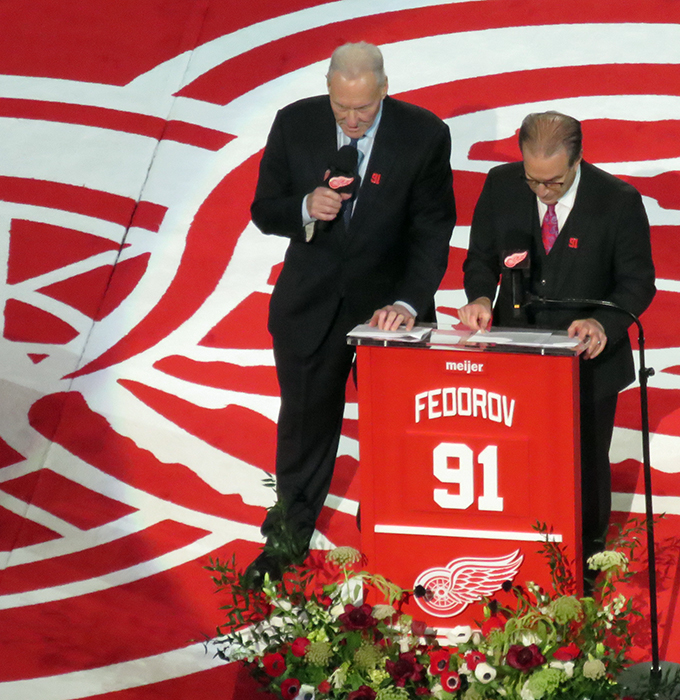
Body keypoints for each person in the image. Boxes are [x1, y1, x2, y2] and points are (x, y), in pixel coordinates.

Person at [248, 42, 456, 582]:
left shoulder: (423, 134)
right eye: (342, 108)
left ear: (384, 88)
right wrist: (302, 208)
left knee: (399, 434)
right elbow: (264, 208)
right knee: (303, 426)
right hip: (310, 306)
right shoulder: (293, 124)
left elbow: (433, 229)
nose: (352, 119)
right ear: (329, 87)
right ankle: (286, 541)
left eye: (363, 109)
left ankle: (394, 542)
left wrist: (409, 302)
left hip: (391, 312)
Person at [459, 111, 655, 589]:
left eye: (554, 182)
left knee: (585, 464)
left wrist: (602, 322)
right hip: (517, 352)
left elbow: (638, 284)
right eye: (533, 180)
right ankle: (514, 554)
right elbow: (479, 259)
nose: (542, 192)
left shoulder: (618, 202)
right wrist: (481, 297)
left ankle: (587, 562)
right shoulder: (502, 185)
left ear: (579, 159)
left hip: (588, 362)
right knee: (515, 458)